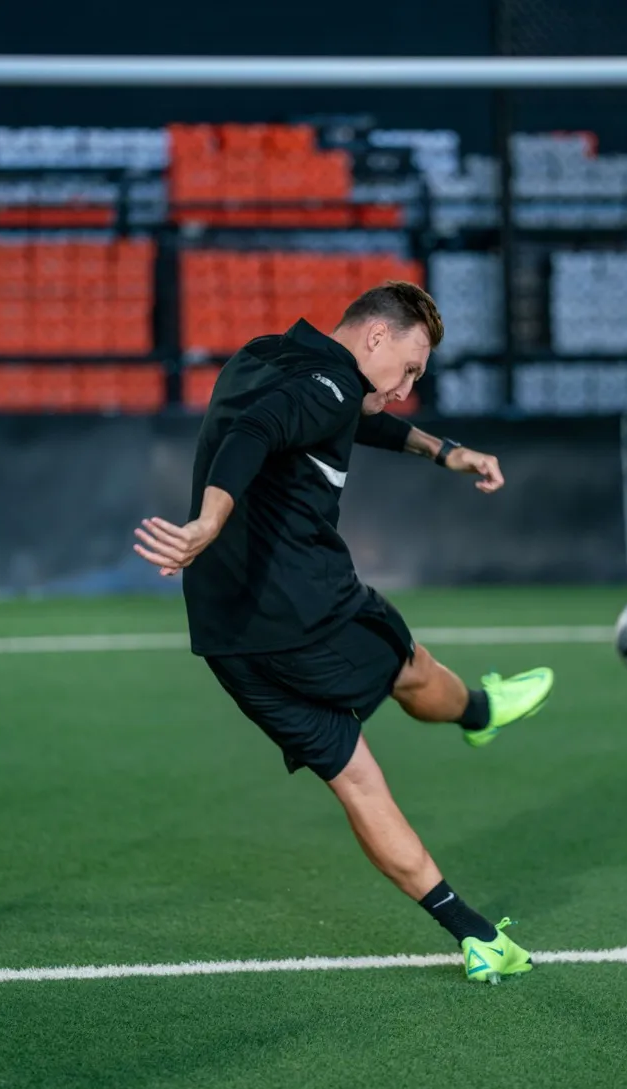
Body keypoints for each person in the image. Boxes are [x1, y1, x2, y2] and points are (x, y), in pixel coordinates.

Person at [134, 281, 554, 983]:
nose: (407, 387)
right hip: (310, 612)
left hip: (228, 636)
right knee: (410, 662)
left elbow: (346, 415)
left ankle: (475, 934)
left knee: (357, 779)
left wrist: (445, 451)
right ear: (377, 338)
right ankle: (481, 712)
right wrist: (209, 521)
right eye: (411, 368)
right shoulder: (328, 388)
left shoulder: (266, 357)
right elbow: (257, 432)